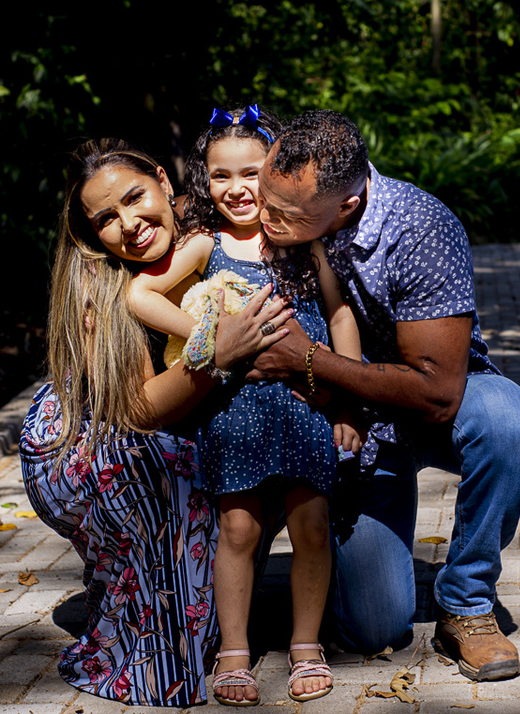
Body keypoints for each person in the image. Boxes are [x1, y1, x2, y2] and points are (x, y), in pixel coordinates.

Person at [247, 110, 520, 682]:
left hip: (427, 404)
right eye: (264, 198)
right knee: (376, 631)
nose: (264, 218)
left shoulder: (419, 227)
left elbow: (437, 392)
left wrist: (308, 359)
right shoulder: (275, 212)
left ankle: (467, 603)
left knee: (505, 418)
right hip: (338, 416)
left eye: (285, 214)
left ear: (346, 207)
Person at [19, 139, 294, 707]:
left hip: (187, 412)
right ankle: (149, 629)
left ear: (165, 184)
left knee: (249, 444)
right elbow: (139, 410)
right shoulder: (98, 284)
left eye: (135, 198)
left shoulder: (213, 220)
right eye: (105, 219)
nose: (129, 224)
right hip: (92, 439)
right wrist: (220, 356)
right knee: (164, 468)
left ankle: (196, 598)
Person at [127, 105, 364, 705]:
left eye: (252, 172)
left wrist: (352, 402)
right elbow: (140, 294)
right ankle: (234, 649)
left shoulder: (300, 237)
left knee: (311, 526)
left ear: (279, 170)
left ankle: (305, 645)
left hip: (304, 404)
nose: (236, 189)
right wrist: (208, 338)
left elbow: (339, 313)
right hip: (235, 411)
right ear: (202, 181)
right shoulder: (207, 243)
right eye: (220, 176)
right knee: (238, 529)